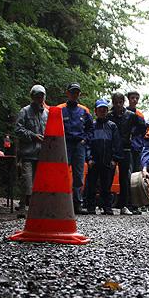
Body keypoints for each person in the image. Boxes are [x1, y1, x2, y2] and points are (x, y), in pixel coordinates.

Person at [109, 91, 147, 215]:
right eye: (116, 103)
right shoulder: (110, 116)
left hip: (126, 149)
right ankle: (106, 205)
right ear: (113, 103)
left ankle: (124, 205)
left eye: (120, 102)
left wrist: (134, 134)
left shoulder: (130, 115)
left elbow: (144, 126)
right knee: (109, 176)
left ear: (123, 102)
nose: (118, 105)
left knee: (125, 178)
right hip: (112, 150)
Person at [57, 82, 93, 214]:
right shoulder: (60, 109)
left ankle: (77, 204)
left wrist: (85, 140)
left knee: (78, 175)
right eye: (72, 92)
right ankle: (60, 202)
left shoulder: (84, 111)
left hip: (79, 145)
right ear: (68, 93)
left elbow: (91, 129)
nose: (74, 95)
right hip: (64, 144)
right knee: (62, 174)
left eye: (77, 92)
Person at [14, 85, 48, 212]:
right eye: (37, 96)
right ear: (32, 97)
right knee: (26, 182)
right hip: (28, 153)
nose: (40, 99)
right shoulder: (24, 111)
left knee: (39, 183)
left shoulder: (47, 114)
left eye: (42, 96)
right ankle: (22, 207)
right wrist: (33, 136)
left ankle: (36, 209)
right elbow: (18, 129)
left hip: (42, 154)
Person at [85, 99, 121, 215]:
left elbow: (117, 144)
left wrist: (114, 159)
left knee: (107, 185)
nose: (102, 111)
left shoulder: (112, 126)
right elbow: (88, 143)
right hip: (94, 160)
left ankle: (107, 207)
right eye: (100, 109)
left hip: (107, 160)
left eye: (105, 109)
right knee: (91, 184)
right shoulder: (92, 126)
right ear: (95, 111)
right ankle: (90, 206)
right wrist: (89, 158)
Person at [125, 89, 149, 172]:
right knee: (128, 169)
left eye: (136, 98)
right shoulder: (124, 113)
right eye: (132, 98)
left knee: (137, 170)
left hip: (138, 146)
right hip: (127, 146)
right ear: (128, 99)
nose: (134, 100)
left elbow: (143, 131)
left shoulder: (140, 115)